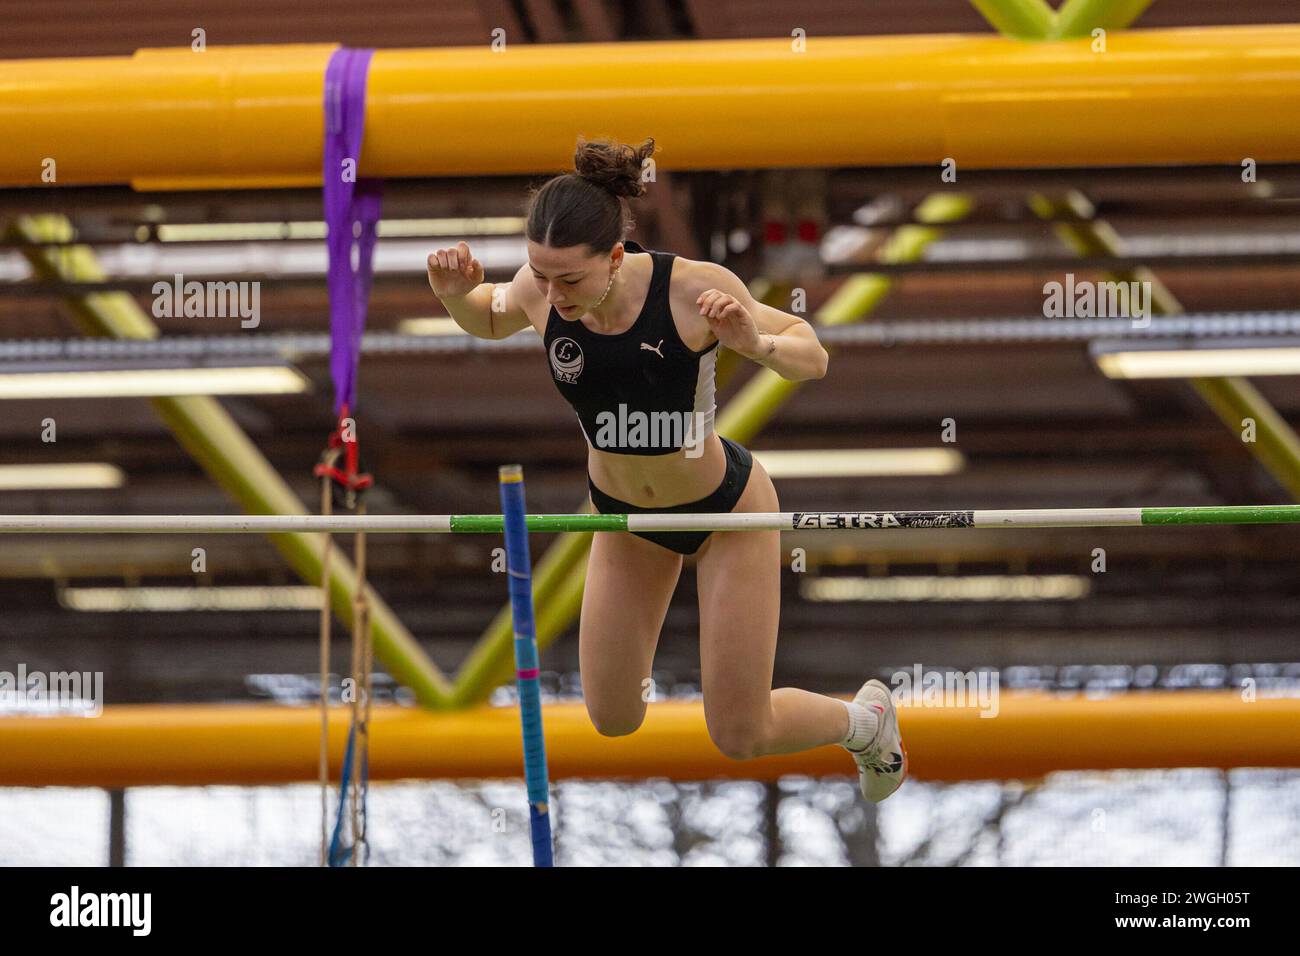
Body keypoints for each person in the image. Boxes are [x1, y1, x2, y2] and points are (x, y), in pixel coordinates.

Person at [427, 137, 906, 802]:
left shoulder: (693, 290)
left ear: (616, 258)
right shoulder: (539, 290)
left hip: (725, 511)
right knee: (614, 717)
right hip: (626, 518)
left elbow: (811, 354)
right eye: (540, 275)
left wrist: (754, 343)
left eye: (570, 280)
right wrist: (455, 298)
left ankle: (865, 721)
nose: (552, 295)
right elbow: (488, 314)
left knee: (740, 732)